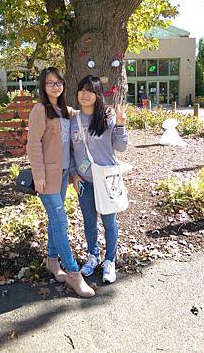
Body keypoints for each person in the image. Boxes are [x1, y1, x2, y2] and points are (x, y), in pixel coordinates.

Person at [27, 67, 94, 298]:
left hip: (64, 174)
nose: (55, 87)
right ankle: (74, 274)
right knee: (61, 222)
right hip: (47, 177)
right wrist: (39, 176)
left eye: (58, 83)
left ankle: (52, 261)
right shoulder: (39, 110)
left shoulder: (66, 112)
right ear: (43, 87)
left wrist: (109, 112)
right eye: (50, 83)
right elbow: (33, 144)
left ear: (63, 85)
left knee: (56, 221)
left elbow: (88, 109)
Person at [70, 75, 128, 284]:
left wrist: (120, 124)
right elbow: (69, 150)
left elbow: (120, 146)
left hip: (107, 180)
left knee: (109, 223)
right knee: (89, 222)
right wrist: (74, 174)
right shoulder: (72, 120)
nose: (85, 95)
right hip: (84, 181)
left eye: (90, 91)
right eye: (81, 90)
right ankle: (93, 256)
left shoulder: (107, 117)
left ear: (97, 95)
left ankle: (109, 260)